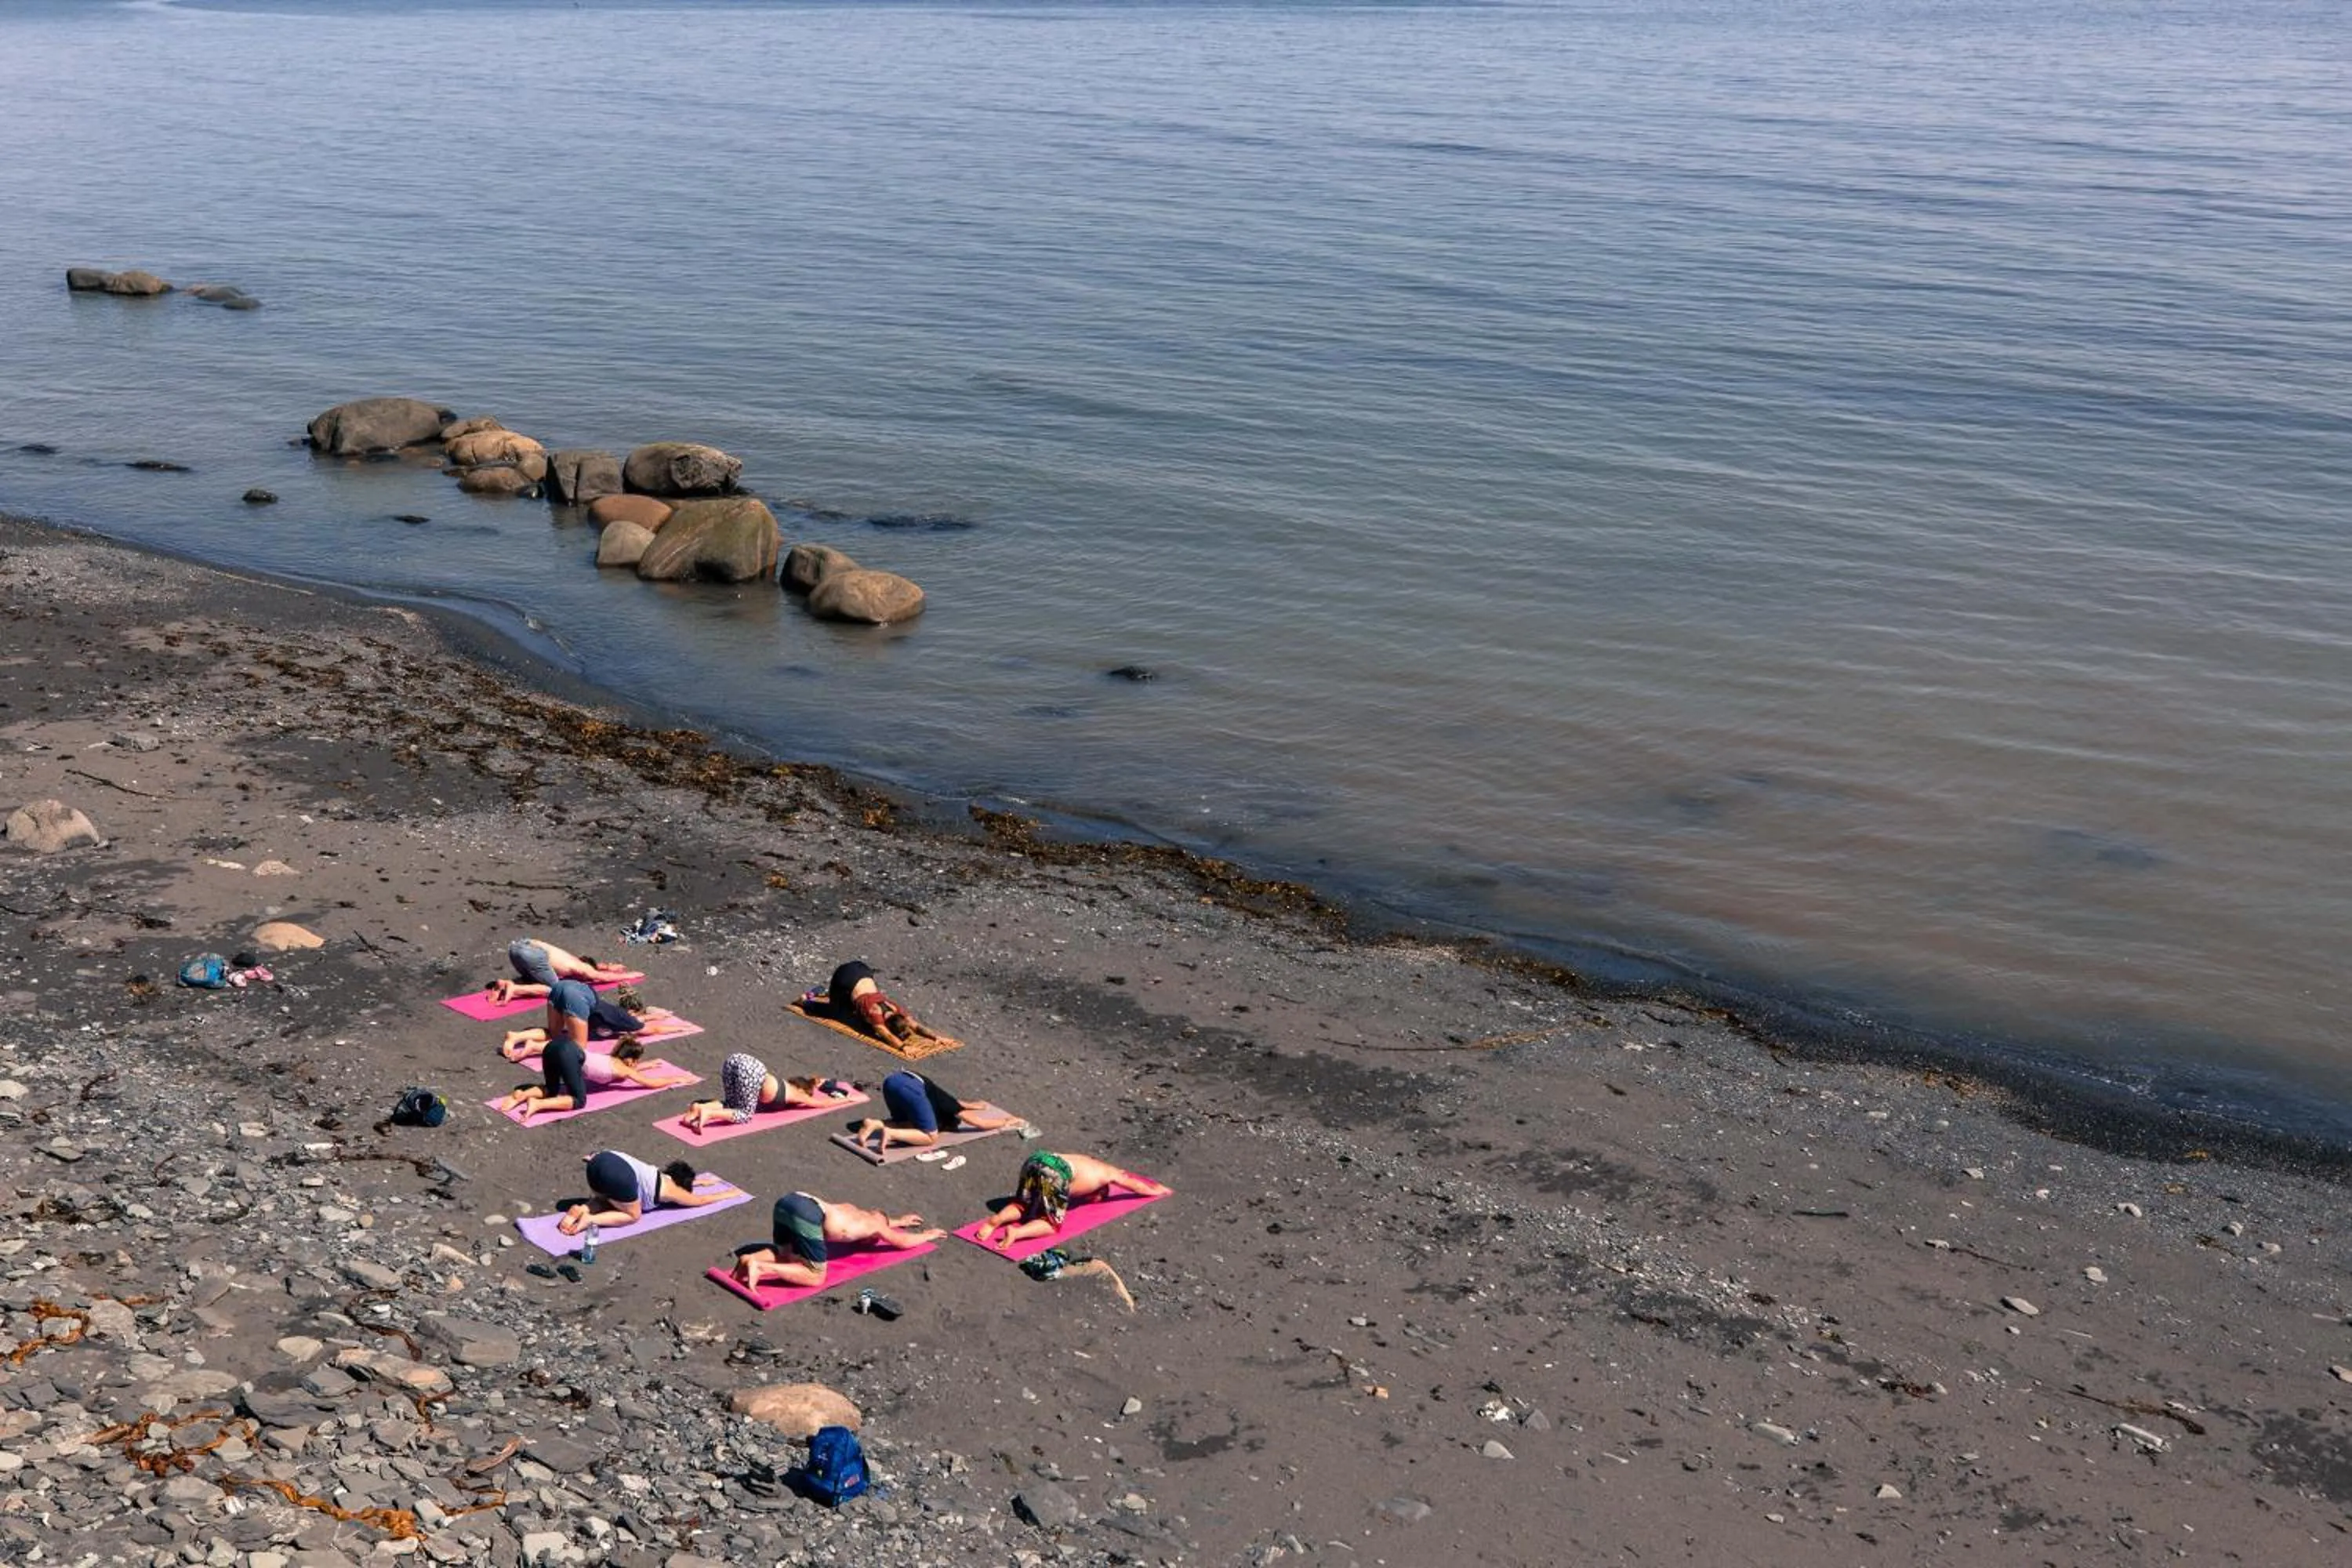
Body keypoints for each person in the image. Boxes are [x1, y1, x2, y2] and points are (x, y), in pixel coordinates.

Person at [727, 1192, 943, 1291]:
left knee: (787, 1255)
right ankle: (760, 1267)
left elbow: (879, 1220)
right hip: (807, 1213)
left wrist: (899, 1220)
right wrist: (927, 1235)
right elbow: (902, 1241)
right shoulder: (876, 1226)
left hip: (789, 1201)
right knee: (816, 1276)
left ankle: (749, 1259)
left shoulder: (852, 1209)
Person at [973, 1151, 1171, 1250]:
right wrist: (1155, 1191)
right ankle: (1016, 1232)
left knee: (1023, 1204)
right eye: (1099, 1197)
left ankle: (994, 1222)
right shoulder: (1108, 1174)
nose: (1094, 1199)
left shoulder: (1090, 1162)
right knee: (1051, 1225)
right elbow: (1131, 1183)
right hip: (1056, 1171)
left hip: (1037, 1158)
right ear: (1101, 1189)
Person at [803, 960, 962, 1052]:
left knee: (850, 1006)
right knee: (836, 1012)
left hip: (862, 970)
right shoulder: (876, 1014)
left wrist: (936, 1037)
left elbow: (917, 1026)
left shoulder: (897, 1010)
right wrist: (903, 1047)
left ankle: (824, 991)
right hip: (845, 977)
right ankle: (806, 1000)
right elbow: (887, 1035)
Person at [557, 1149, 724, 1234]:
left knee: (608, 1200)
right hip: (617, 1174)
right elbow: (700, 1201)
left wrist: (704, 1182)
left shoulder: (659, 1174)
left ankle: (583, 1209)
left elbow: (692, 1183)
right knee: (633, 1215)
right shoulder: (673, 1190)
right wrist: (728, 1194)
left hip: (599, 1162)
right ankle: (589, 1219)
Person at [849, 1069, 1020, 1152]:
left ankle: (874, 1124)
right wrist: (1007, 1122)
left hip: (893, 1081)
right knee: (930, 1136)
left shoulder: (945, 1101)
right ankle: (890, 1134)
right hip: (911, 1088)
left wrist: (972, 1104)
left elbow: (958, 1102)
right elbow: (980, 1123)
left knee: (907, 1123)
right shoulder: (950, 1108)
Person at [682, 1053, 858, 1133]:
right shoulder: (798, 1094)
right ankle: (709, 1113)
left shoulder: (786, 1083)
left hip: (735, 1060)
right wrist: (848, 1100)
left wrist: (820, 1083)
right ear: (803, 1089)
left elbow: (817, 1081)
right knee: (745, 1115)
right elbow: (823, 1104)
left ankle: (698, 1108)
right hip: (751, 1070)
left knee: (731, 1105)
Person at [498, 981, 673, 1058]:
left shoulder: (617, 1013)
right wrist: (679, 1029)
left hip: (562, 987)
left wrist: (654, 1016)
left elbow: (641, 1019)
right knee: (578, 1046)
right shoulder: (627, 1021)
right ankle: (534, 1047)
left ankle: (516, 1036)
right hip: (576, 997)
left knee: (554, 1032)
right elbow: (650, 1030)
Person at [501, 1033, 693, 1089]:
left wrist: (646, 1065)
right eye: (636, 1061)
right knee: (569, 1097)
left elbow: (628, 1071)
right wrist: (675, 1079)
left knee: (563, 1052)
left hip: (570, 1052)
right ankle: (533, 1046)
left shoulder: (614, 1060)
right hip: (571, 1058)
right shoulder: (625, 1070)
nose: (636, 1066)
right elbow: (652, 1083)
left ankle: (534, 1046)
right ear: (628, 1060)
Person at [489, 938, 631, 1004]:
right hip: (533, 954)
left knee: (533, 979)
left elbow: (595, 967)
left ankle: (505, 984)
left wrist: (607, 967)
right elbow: (600, 976)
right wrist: (631, 975)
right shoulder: (583, 967)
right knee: (556, 990)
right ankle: (514, 990)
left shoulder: (573, 959)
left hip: (517, 947)